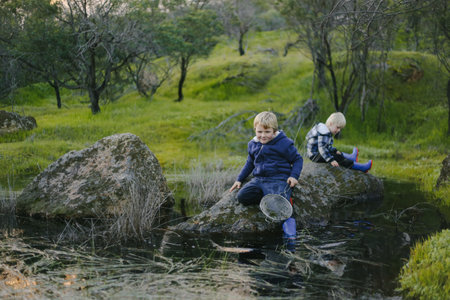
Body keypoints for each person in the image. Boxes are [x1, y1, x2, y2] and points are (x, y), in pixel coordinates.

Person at [229, 111, 303, 206]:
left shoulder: (284, 143)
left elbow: (298, 159)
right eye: (259, 132)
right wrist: (239, 179)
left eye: (267, 132)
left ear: (274, 131)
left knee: (279, 201)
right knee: (242, 197)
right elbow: (250, 163)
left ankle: (288, 212)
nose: (263, 136)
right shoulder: (253, 144)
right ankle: (265, 198)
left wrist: (294, 176)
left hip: (279, 179)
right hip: (260, 179)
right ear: (255, 130)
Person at [305, 112, 372, 172]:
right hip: (315, 155)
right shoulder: (324, 132)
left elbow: (327, 146)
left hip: (318, 153)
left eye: (340, 129)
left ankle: (351, 157)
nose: (339, 130)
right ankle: (362, 167)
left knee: (336, 153)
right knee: (338, 158)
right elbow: (322, 148)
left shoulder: (325, 130)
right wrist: (331, 160)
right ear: (331, 124)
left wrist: (334, 150)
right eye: (337, 127)